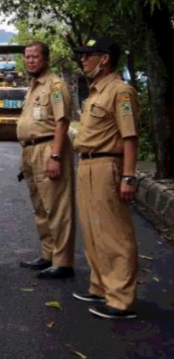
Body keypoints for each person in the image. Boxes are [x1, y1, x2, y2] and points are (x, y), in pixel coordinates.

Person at [71, 36, 140, 320]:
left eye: (88, 55)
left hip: (106, 166)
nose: (83, 60)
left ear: (104, 59)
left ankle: (121, 300)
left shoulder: (120, 92)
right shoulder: (96, 93)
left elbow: (130, 137)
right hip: (86, 165)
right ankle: (100, 287)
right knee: (92, 230)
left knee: (114, 234)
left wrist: (128, 177)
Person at [16, 41, 76, 279]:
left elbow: (62, 122)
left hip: (48, 149)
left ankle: (63, 262)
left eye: (35, 57)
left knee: (57, 207)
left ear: (46, 59)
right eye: (27, 57)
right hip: (30, 151)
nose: (30, 61)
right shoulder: (33, 86)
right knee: (41, 207)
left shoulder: (55, 86)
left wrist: (56, 156)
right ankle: (48, 254)